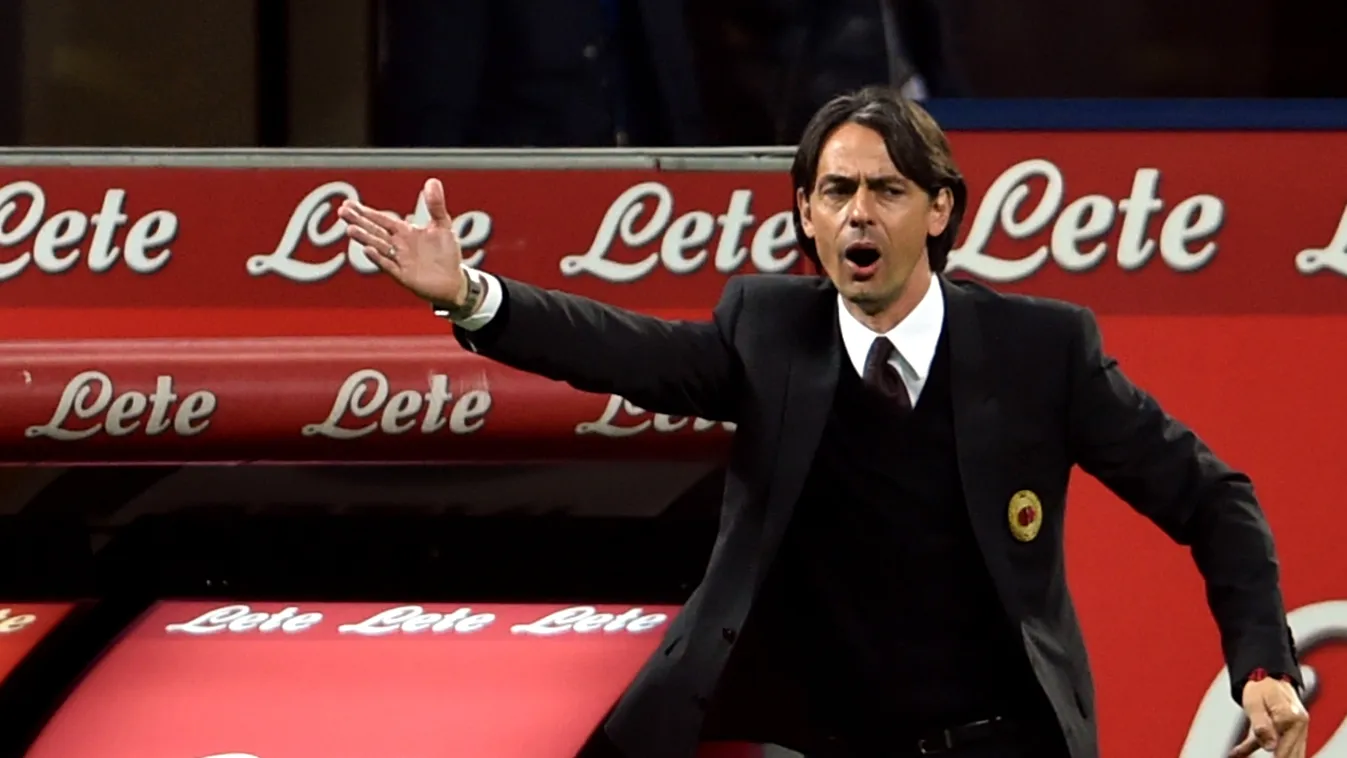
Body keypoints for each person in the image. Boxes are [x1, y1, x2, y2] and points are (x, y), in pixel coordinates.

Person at [338, 87, 1309, 758]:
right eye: (837, 190)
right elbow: (626, 349)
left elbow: (1211, 494)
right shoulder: (769, 330)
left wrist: (1262, 661)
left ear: (939, 209)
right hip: (809, 742)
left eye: (887, 189)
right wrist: (468, 292)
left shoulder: (1040, 349)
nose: (860, 213)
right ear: (806, 212)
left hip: (993, 740)